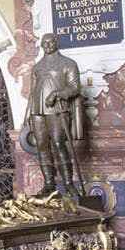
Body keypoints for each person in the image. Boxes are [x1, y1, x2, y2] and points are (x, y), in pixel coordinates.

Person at [25, 33, 82, 197]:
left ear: (57, 43)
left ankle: (69, 183)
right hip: (37, 111)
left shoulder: (68, 63)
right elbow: (32, 92)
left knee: (58, 144)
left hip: (57, 109)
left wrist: (57, 94)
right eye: (45, 43)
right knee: (41, 147)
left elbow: (75, 87)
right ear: (41, 46)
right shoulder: (37, 67)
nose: (48, 45)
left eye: (51, 42)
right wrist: (28, 114)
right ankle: (49, 183)